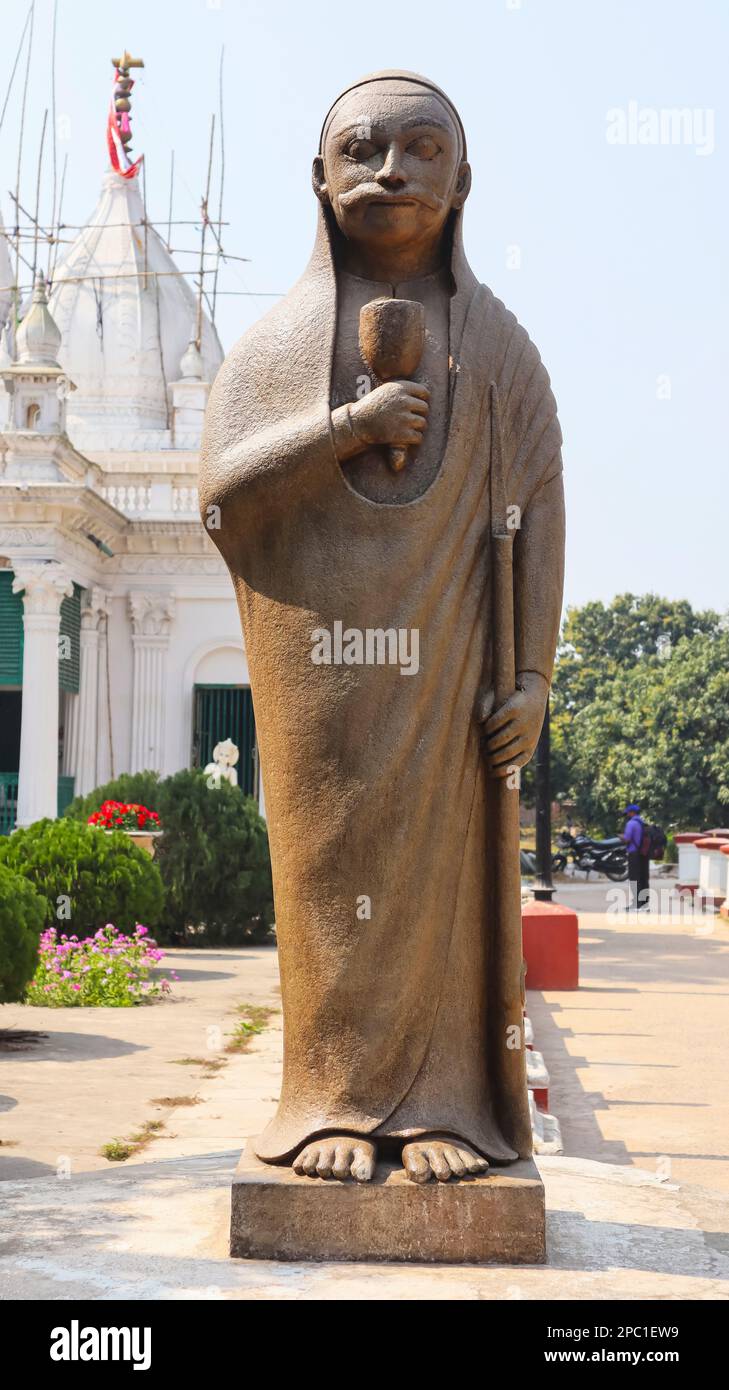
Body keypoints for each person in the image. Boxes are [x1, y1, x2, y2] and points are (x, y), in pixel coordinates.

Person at [200, 72, 565, 1184]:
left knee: (448, 882)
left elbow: (540, 508)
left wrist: (535, 675)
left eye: (420, 150)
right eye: (361, 150)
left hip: (452, 680)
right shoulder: (272, 351)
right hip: (322, 685)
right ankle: (329, 1102)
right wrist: (347, 428)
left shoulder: (499, 352)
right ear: (320, 178)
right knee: (329, 879)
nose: (390, 171)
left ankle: (449, 1102)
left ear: (463, 183)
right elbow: (221, 498)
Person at [623, 803, 650, 910]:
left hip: (634, 854)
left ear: (632, 812)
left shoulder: (631, 823)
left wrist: (621, 837)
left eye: (628, 813)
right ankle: (644, 903)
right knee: (643, 877)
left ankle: (636, 904)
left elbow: (627, 839)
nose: (627, 814)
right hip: (643, 854)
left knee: (634, 878)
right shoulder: (642, 823)